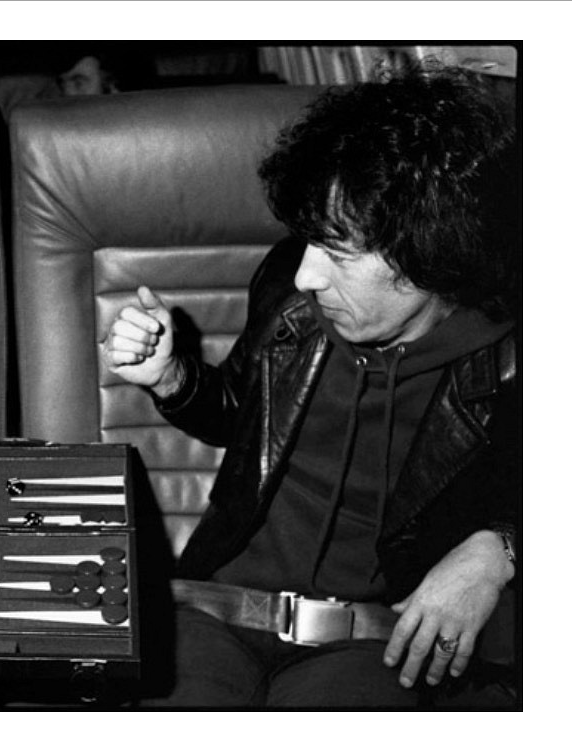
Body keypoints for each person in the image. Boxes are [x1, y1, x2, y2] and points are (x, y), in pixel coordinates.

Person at [101, 62, 519, 707]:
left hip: (375, 640)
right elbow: (240, 417)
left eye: (338, 253)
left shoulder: (516, 361)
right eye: (307, 243)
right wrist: (172, 375)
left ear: (432, 254)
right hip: (215, 610)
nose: (304, 276)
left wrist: (498, 550)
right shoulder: (290, 289)